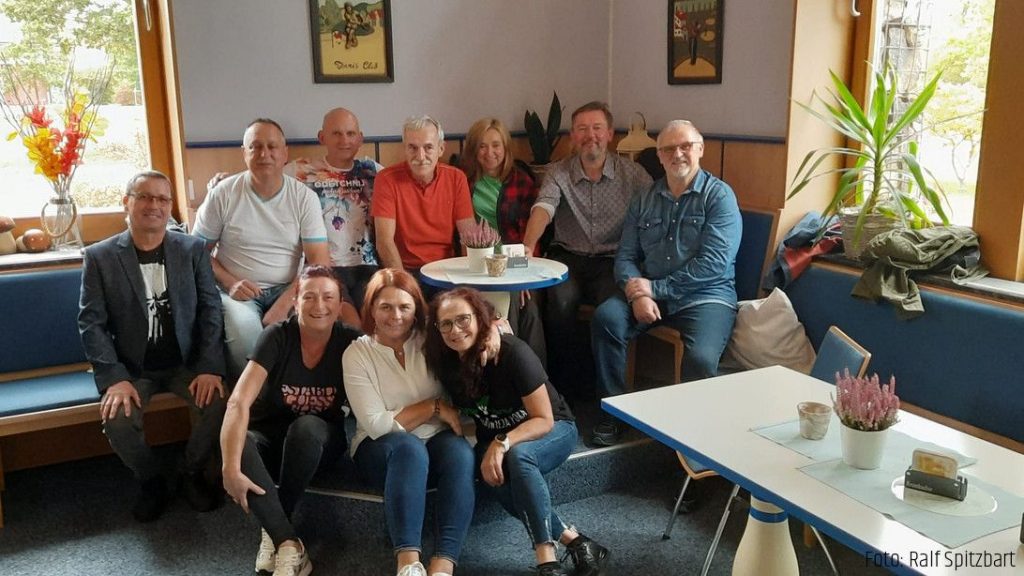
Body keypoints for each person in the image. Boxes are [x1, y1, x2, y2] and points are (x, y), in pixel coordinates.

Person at [424, 287, 610, 576]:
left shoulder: (512, 352)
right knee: (491, 472)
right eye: (445, 324)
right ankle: (575, 541)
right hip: (495, 438)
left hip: (552, 429)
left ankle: (546, 561)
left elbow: (544, 419)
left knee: (519, 456)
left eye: (463, 319)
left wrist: (502, 443)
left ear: (480, 317)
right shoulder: (446, 364)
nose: (455, 330)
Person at [79, 170, 226, 522]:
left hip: (184, 362)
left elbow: (210, 309)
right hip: (133, 368)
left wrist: (209, 366)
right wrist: (114, 378)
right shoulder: (100, 257)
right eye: (144, 196)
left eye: (162, 199)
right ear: (126, 203)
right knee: (117, 419)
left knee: (220, 402)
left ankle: (191, 471)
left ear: (170, 206)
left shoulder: (191, 249)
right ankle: (152, 480)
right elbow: (91, 323)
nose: (154, 205)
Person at [590, 120, 742, 446]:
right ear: (659, 156)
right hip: (649, 291)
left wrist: (655, 289)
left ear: (700, 149)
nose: (678, 154)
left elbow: (714, 265)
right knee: (606, 319)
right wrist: (636, 295)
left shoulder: (720, 197)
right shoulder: (644, 198)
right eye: (669, 149)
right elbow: (625, 256)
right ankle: (613, 414)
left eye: (685, 146)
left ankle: (691, 442)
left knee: (700, 359)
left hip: (706, 296)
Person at [221, 265, 361, 576]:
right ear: (295, 302)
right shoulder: (277, 336)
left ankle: (275, 523)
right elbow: (238, 402)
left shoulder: (351, 341)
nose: (319, 305)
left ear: (340, 305)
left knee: (306, 426)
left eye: (328, 297)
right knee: (239, 440)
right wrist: (229, 468)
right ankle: (286, 541)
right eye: (309, 296)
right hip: (271, 444)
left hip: (319, 445)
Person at [193, 118, 355, 377]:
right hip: (238, 293)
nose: (264, 154)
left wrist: (286, 302)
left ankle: (292, 392)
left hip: (289, 288)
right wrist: (230, 282)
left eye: (272, 146)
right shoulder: (223, 194)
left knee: (313, 333)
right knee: (246, 337)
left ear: (285, 153)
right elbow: (197, 252)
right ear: (244, 153)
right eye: (255, 147)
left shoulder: (304, 197)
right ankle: (256, 397)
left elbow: (319, 261)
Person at [342, 269, 475, 576]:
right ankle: (408, 564)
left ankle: (443, 564)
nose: (396, 316)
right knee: (409, 448)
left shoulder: (432, 342)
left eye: (405, 307)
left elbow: (471, 333)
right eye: (385, 307)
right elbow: (377, 425)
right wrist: (432, 406)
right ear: (371, 309)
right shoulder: (357, 353)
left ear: (417, 309)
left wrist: (496, 327)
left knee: (460, 452)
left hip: (436, 437)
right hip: (381, 449)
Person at [521, 102, 652, 398]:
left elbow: (655, 213)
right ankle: (564, 391)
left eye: (597, 128)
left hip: (613, 260)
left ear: (610, 134)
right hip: (568, 258)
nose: (590, 135)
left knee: (611, 311)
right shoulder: (558, 172)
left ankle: (608, 397)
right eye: (582, 129)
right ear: (573, 135)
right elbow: (543, 208)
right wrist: (528, 246)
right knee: (560, 302)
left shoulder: (634, 174)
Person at [459, 117, 546, 365]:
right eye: (482, 146)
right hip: (476, 265)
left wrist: (522, 274)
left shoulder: (521, 181)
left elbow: (529, 237)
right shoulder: (463, 181)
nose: (490, 153)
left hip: (511, 265)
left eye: (496, 145)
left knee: (526, 307)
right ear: (473, 150)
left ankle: (533, 375)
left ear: (506, 147)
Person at [284, 107, 381, 309]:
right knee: (345, 316)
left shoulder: (374, 171)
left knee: (373, 313)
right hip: (323, 266)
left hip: (367, 266)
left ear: (360, 138)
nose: (344, 140)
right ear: (322, 137)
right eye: (336, 133)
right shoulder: (300, 170)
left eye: (350, 133)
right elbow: (263, 178)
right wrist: (222, 180)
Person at [371, 115, 476, 294]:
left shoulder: (456, 178)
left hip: (445, 271)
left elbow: (469, 236)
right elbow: (384, 242)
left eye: (428, 147)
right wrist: (405, 285)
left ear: (441, 149)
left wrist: (469, 282)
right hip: (404, 270)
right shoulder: (386, 179)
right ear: (404, 149)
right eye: (413, 148)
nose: (420, 156)